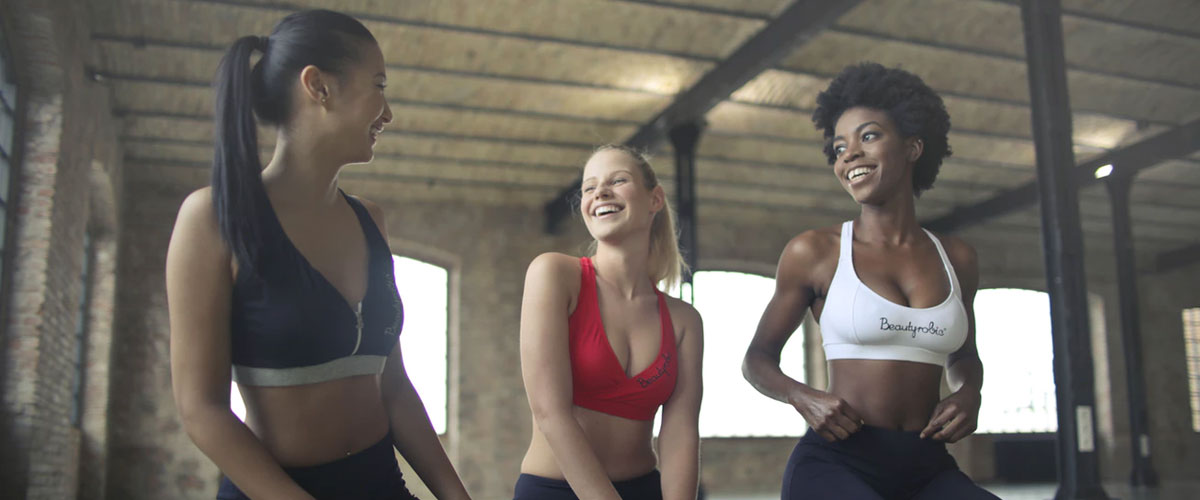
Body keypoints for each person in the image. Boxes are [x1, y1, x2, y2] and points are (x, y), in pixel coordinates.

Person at [165, 10, 471, 500]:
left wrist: (457, 496)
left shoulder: (371, 220)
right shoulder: (212, 218)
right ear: (319, 87)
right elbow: (202, 409)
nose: (388, 112)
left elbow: (392, 385)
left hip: (381, 483)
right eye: (378, 84)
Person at [742, 63, 999, 500]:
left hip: (928, 466)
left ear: (914, 147)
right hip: (837, 463)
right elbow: (757, 359)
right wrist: (802, 397)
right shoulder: (816, 252)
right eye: (839, 146)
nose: (849, 154)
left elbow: (963, 355)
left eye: (869, 136)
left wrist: (970, 393)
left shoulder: (957, 258)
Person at [515, 145, 704, 499]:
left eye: (618, 180)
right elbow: (550, 411)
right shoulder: (554, 274)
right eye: (589, 187)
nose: (600, 192)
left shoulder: (684, 321)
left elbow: (680, 432)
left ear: (655, 199)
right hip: (555, 491)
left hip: (643, 489)